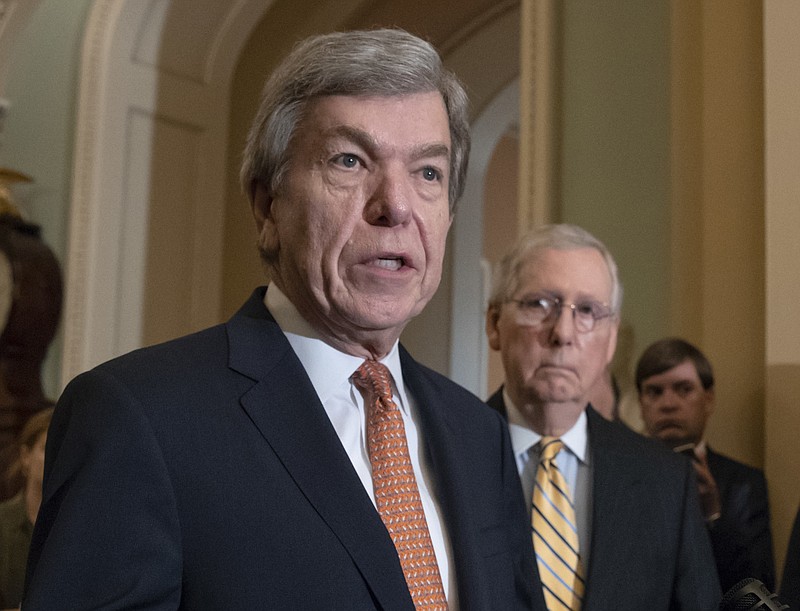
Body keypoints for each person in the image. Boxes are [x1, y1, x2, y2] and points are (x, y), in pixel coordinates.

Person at [22, 29, 536, 610]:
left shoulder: (480, 433)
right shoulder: (137, 418)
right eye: (350, 161)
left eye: (427, 173)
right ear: (268, 206)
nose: (395, 205)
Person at [484, 223, 720, 610]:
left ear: (610, 342)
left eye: (588, 311)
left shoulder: (664, 481)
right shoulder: (443, 458)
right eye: (540, 304)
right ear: (495, 324)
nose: (562, 333)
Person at [636, 337, 775, 594]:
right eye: (655, 392)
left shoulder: (744, 485)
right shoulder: (620, 478)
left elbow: (757, 592)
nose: (668, 404)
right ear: (640, 404)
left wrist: (713, 519)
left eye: (684, 389)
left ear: (708, 399)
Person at [0, 407, 52, 610]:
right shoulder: (3, 522)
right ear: (26, 456)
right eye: (47, 448)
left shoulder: (74, 526)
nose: (55, 458)